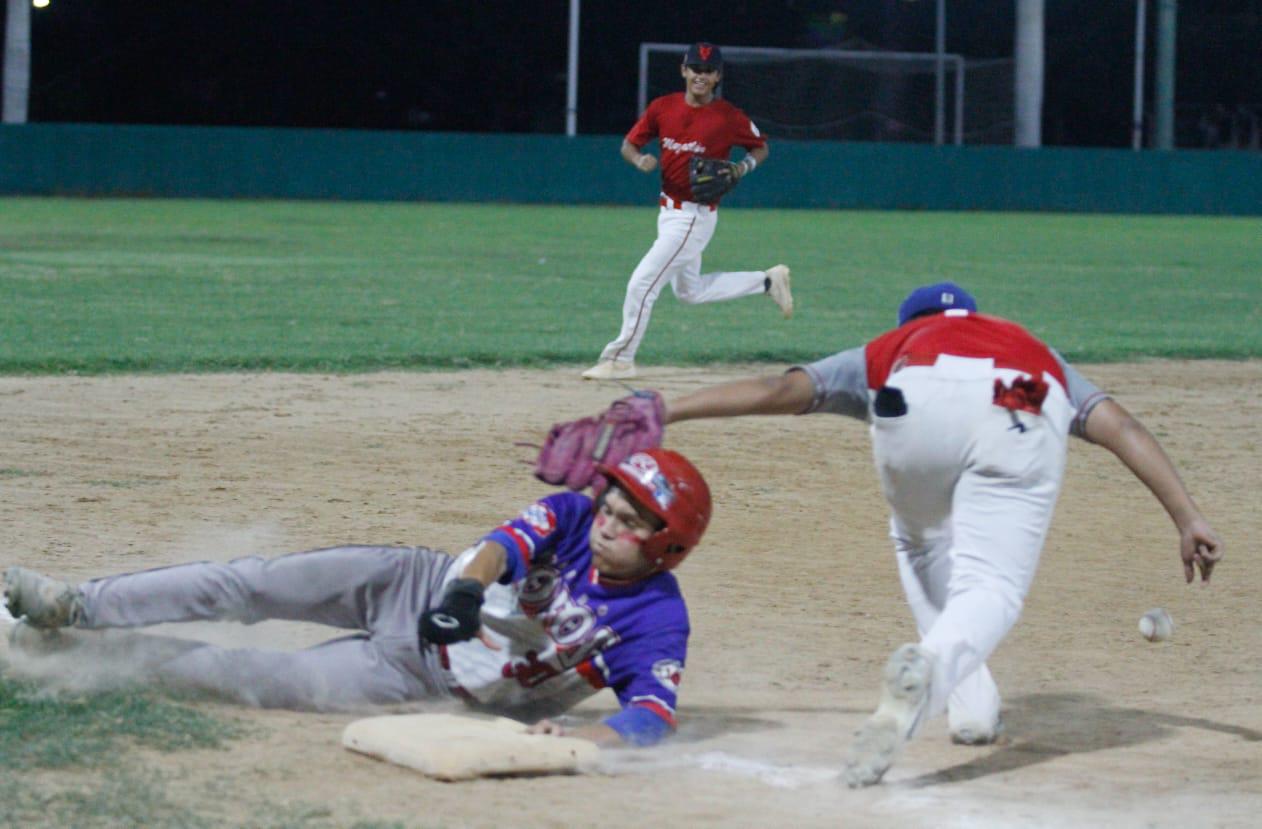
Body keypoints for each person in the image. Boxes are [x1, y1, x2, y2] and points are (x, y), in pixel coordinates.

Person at [657, 282, 1223, 784]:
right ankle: (934, 677)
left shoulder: (896, 346)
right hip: (1017, 395)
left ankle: (971, 707)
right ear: (974, 317)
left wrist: (669, 412)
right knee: (991, 586)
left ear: (911, 322)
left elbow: (783, 390)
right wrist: (1188, 517)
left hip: (915, 400)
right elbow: (1117, 425)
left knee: (919, 539)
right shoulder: (1025, 347)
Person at [3, 448, 713, 748]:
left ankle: (61, 652)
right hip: (409, 583)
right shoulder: (575, 515)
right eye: (612, 506)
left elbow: (651, 714)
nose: (609, 523)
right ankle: (72, 604)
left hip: (418, 679)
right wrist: (465, 590)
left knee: (251, 678)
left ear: (666, 545)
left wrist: (584, 741)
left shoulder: (657, 621)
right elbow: (504, 545)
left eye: (630, 520)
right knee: (248, 583)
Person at [582, 41, 793, 382]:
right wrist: (639, 160)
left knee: (642, 284)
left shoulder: (728, 116)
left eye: (708, 71)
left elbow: (761, 147)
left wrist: (742, 168)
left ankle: (620, 359)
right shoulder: (663, 107)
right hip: (668, 212)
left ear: (717, 77)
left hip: (694, 216)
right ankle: (768, 282)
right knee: (689, 292)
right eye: (695, 68)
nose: (701, 75)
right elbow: (629, 145)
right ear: (684, 70)